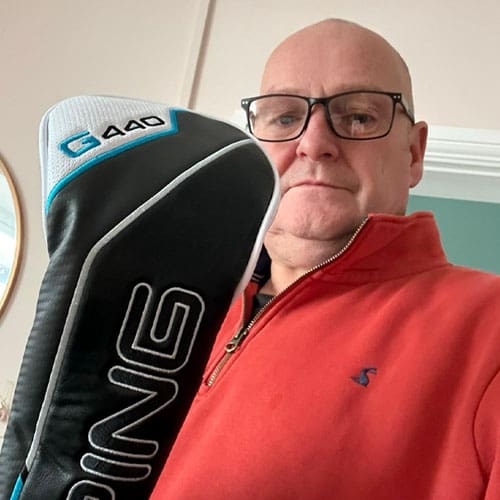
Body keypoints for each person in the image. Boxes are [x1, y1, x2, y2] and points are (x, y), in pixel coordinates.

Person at [150, 19, 500, 499]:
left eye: (359, 117)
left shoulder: (490, 329)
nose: (313, 144)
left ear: (413, 153)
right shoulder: (173, 312)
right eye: (284, 118)